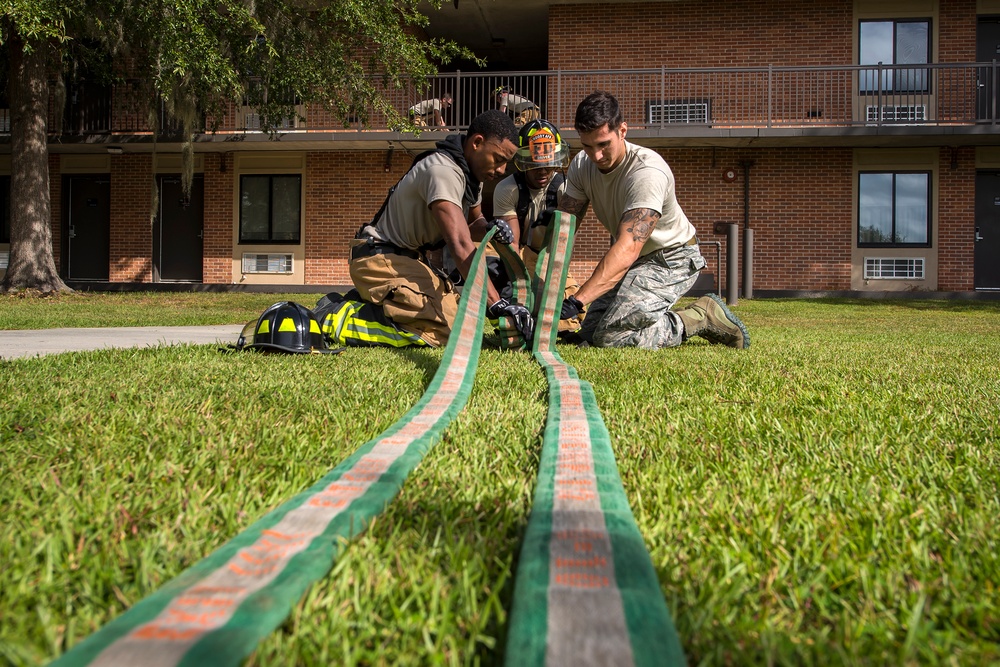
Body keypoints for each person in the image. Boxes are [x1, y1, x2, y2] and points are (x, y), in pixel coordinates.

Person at [316, 110, 533, 349]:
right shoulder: (442, 171)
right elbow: (461, 245)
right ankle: (337, 317)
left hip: (409, 260)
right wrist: (496, 303)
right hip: (379, 258)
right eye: (499, 159)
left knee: (465, 321)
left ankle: (379, 304)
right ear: (477, 142)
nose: (502, 170)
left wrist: (491, 228)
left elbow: (473, 223)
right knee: (447, 329)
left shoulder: (472, 176)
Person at [556, 91, 750, 349]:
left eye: (604, 144)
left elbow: (627, 248)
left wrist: (577, 300)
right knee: (590, 332)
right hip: (637, 261)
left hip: (672, 258)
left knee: (612, 337)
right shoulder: (582, 164)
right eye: (588, 145)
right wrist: (546, 284)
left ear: (622, 130)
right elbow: (564, 227)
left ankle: (701, 316)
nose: (596, 156)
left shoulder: (647, 173)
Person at [491, 119, 583, 333]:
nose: (543, 171)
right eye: (535, 164)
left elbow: (565, 245)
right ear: (523, 161)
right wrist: (515, 285)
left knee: (568, 320)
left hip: (552, 257)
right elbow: (511, 243)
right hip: (522, 255)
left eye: (548, 163)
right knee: (520, 308)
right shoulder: (507, 189)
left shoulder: (566, 189)